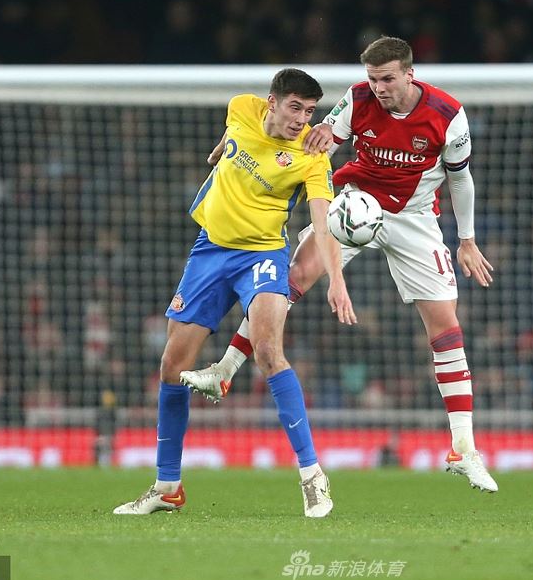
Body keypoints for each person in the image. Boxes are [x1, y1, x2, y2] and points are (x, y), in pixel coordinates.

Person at [182, 37, 498, 492]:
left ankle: (463, 448)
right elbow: (322, 142)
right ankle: (225, 370)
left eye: (387, 79)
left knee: (446, 325)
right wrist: (302, 145)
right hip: (356, 204)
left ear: (409, 75)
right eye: (373, 79)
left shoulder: (448, 116)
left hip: (414, 216)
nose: (379, 88)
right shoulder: (358, 99)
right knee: (294, 276)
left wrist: (466, 240)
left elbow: (460, 179)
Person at [113, 68, 355, 518]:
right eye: (295, 108)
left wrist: (336, 282)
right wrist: (221, 150)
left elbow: (322, 226)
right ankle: (167, 486)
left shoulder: (311, 158)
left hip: (262, 254)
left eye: (309, 111)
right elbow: (233, 136)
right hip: (210, 251)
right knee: (172, 366)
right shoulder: (242, 108)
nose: (302, 120)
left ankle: (312, 476)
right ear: (272, 102)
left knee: (268, 351)